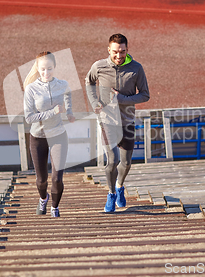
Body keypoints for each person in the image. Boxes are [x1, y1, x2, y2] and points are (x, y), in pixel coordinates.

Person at [85, 33, 150, 212]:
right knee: (112, 161)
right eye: (115, 52)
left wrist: (120, 98)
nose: (119, 56)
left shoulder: (136, 68)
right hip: (107, 121)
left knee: (126, 163)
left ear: (127, 50)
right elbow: (88, 81)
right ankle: (111, 193)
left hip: (127, 121)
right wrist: (94, 103)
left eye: (122, 52)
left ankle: (120, 186)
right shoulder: (99, 66)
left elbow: (145, 94)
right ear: (109, 50)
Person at [24, 51, 75, 217]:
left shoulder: (62, 84)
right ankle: (43, 199)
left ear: (55, 67)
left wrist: (69, 111)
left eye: (50, 68)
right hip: (38, 137)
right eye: (43, 69)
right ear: (38, 68)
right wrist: (52, 112)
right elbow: (29, 117)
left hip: (58, 135)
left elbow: (68, 94)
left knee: (57, 178)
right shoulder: (31, 89)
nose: (47, 73)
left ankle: (54, 208)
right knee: (41, 180)